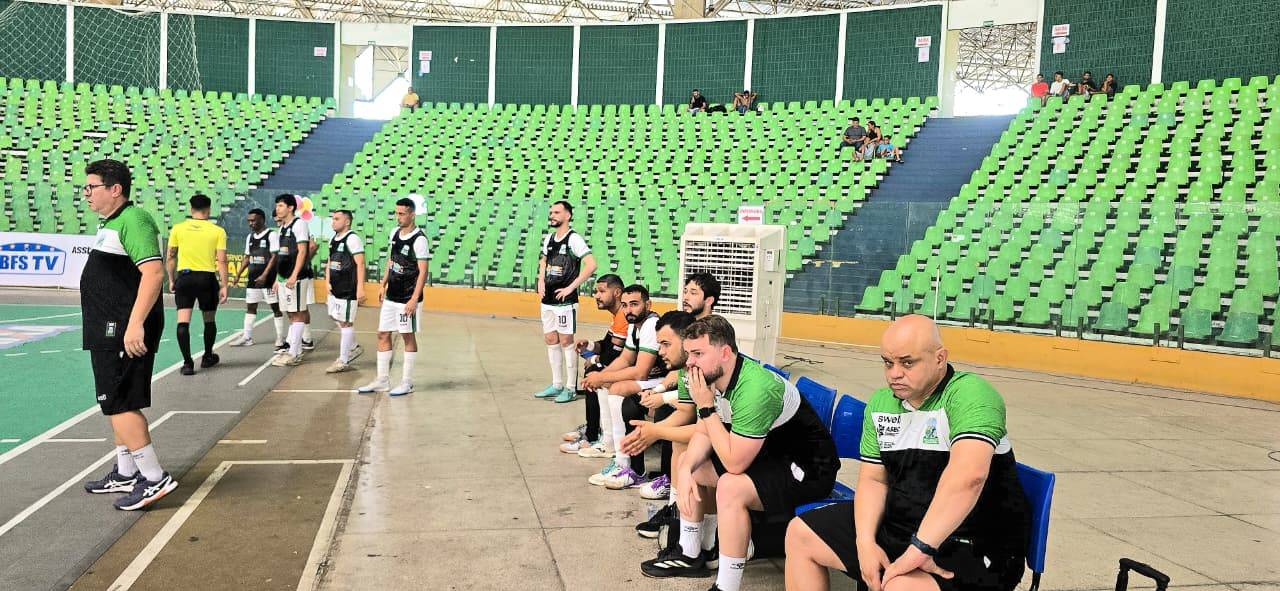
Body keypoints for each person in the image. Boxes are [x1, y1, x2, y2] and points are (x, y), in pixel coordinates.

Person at [784, 315, 1030, 591]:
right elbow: (874, 480)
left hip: (973, 541)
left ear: (940, 358)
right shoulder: (881, 403)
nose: (894, 374)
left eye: (907, 363)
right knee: (800, 534)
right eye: (888, 363)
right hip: (902, 525)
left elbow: (968, 477)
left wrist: (921, 548)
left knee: (897, 585)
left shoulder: (971, 395)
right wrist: (865, 542)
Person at [645, 316, 838, 591]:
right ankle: (692, 553)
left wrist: (706, 407)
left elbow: (734, 463)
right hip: (768, 453)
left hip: (807, 468)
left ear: (725, 353)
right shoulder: (708, 376)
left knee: (730, 486)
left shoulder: (755, 388)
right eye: (689, 354)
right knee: (693, 463)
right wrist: (685, 469)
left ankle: (726, 586)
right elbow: (703, 432)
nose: (690, 363)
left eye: (698, 354)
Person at [79, 159, 179, 510]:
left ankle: (154, 477)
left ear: (115, 189)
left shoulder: (134, 220)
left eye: (92, 187)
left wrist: (135, 325)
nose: (86, 193)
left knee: (120, 402)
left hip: (122, 329)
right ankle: (126, 472)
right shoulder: (112, 222)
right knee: (113, 402)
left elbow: (153, 274)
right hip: (108, 328)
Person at [580, 284, 668, 490]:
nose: (629, 310)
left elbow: (640, 372)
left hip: (664, 381)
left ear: (648, 304)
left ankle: (623, 462)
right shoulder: (634, 325)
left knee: (617, 388)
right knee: (607, 382)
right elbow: (626, 358)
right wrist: (601, 376)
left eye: (634, 304)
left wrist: (602, 377)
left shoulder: (651, 324)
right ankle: (611, 446)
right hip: (652, 379)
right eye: (625, 305)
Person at [623, 310, 698, 538]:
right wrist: (653, 431)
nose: (660, 351)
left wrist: (656, 431)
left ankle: (694, 532)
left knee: (687, 448)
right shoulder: (686, 368)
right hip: (726, 433)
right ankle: (675, 509)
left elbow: (708, 429)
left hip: (760, 446)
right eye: (659, 345)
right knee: (678, 441)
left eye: (666, 344)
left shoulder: (706, 369)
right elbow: (686, 411)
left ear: (687, 340)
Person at [358, 198, 429, 396]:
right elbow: (391, 260)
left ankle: (407, 382)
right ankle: (382, 380)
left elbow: (423, 271)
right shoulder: (394, 233)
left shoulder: (419, 240)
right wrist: (383, 284)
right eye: (396, 213)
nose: (398, 217)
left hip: (407, 297)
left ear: (412, 214)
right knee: (382, 333)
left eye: (402, 213)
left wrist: (414, 299)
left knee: (407, 336)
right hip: (391, 295)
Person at [533, 201, 597, 402]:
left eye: (556, 212)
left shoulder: (574, 239)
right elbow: (543, 260)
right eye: (551, 212)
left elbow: (591, 264)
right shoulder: (549, 238)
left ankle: (570, 388)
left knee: (566, 341)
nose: (552, 215)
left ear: (567, 215)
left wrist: (571, 287)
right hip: (548, 299)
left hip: (565, 301)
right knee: (550, 339)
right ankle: (557, 384)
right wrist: (541, 280)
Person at [561, 274, 629, 454]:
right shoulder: (617, 315)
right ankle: (593, 430)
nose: (596, 296)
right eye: (595, 291)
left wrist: (594, 359)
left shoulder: (623, 315)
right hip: (624, 364)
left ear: (617, 293)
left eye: (601, 291)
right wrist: (589, 345)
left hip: (632, 369)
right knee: (593, 370)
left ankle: (593, 435)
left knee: (594, 373)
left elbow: (615, 353)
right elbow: (607, 344)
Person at [165, 193, 228, 376]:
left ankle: (187, 363)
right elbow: (222, 261)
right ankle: (207, 356)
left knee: (183, 321)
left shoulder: (178, 229)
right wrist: (224, 285)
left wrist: (171, 279)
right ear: (208, 210)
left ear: (191, 209)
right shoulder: (217, 231)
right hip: (207, 279)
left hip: (185, 278)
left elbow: (170, 256)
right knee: (209, 319)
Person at [232, 208, 287, 350]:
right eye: (249, 221)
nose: (250, 223)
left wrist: (264, 275)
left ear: (262, 220)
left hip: (268, 280)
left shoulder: (271, 235)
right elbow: (247, 257)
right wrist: (238, 274)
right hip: (253, 279)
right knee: (251, 307)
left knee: (275, 308)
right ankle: (247, 337)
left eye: (253, 220)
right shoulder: (250, 237)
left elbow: (274, 257)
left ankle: (280, 338)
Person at [270, 194, 313, 367]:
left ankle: (294, 353)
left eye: (281, 205)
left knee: (297, 313)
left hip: (296, 277)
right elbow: (281, 256)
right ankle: (296, 350)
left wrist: (295, 274)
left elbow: (302, 251)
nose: (278, 209)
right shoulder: (282, 228)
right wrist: (277, 279)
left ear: (290, 208)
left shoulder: (299, 224)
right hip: (283, 278)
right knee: (290, 313)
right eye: (277, 205)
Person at [324, 209, 366, 373]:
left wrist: (360, 288)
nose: (333, 222)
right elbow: (330, 261)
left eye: (337, 219)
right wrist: (327, 281)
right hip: (334, 288)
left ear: (347, 222)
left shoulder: (353, 239)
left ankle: (343, 360)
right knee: (334, 316)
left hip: (348, 288)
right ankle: (354, 346)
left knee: (346, 322)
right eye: (333, 218)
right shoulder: (333, 239)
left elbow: (360, 264)